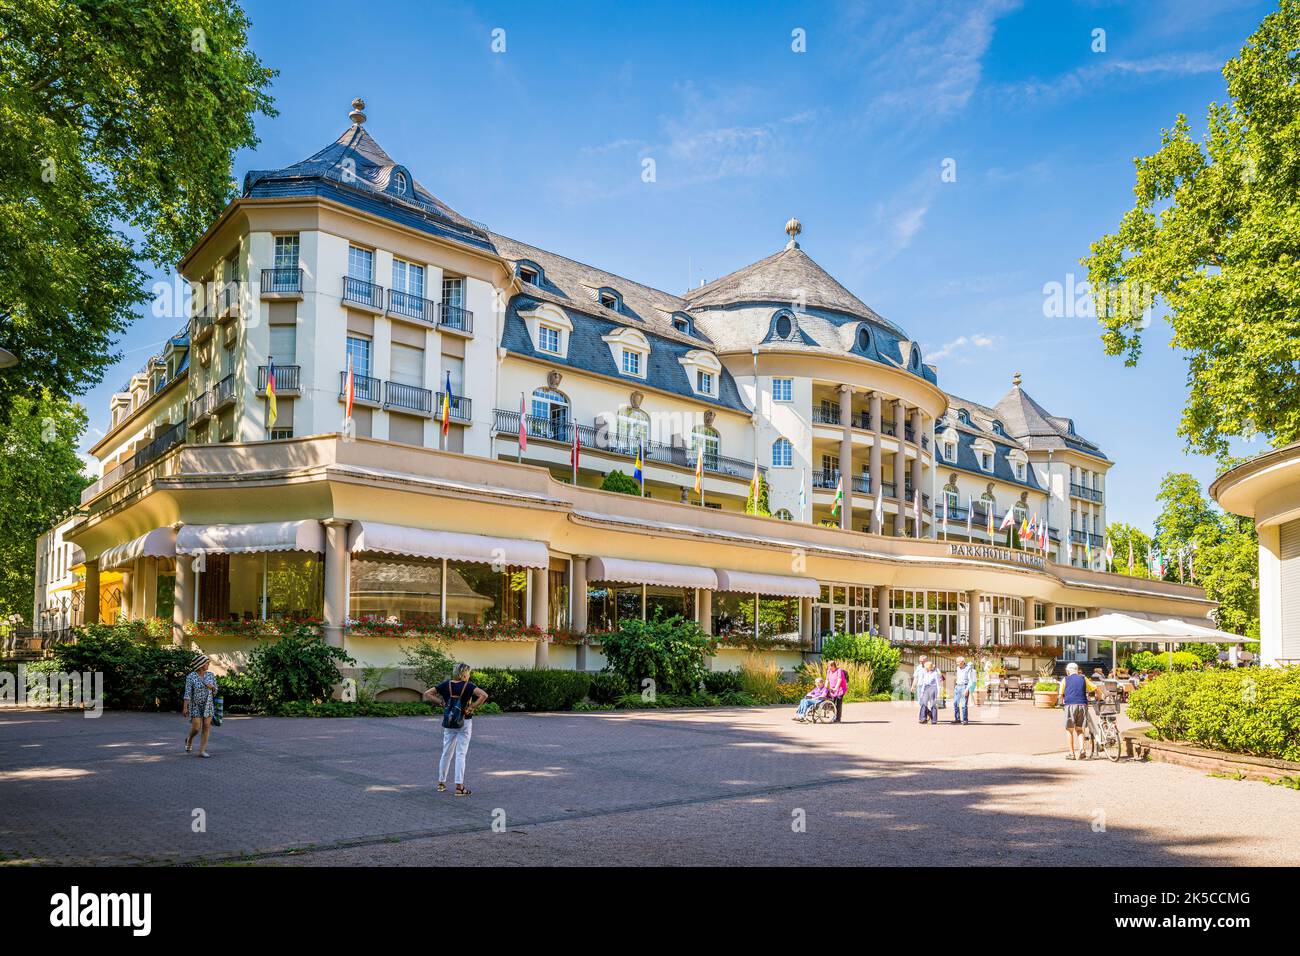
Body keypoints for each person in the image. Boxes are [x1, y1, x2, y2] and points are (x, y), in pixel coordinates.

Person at [424, 663, 489, 796]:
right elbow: (484, 695)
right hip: (465, 721)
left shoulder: (446, 685)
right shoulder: (469, 686)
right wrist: (472, 707)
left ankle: (441, 783)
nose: (469, 675)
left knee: (446, 752)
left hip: (449, 721)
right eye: (469, 673)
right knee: (460, 754)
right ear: (464, 673)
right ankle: (459, 787)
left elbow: (427, 693)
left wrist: (441, 703)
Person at [1058, 662, 1099, 760]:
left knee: (1069, 730)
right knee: (1080, 729)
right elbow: (1094, 688)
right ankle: (1082, 750)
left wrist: (1060, 703)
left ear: (1068, 671)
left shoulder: (1065, 679)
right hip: (1082, 705)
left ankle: (1072, 754)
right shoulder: (1083, 678)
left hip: (1070, 705)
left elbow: (1060, 694)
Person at [183, 653, 218, 758]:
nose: (208, 665)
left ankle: (201, 751)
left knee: (206, 726)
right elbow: (187, 693)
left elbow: (216, 690)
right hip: (195, 705)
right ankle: (189, 739)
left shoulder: (211, 675)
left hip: (208, 704)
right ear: (201, 664)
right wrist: (185, 707)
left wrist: (212, 687)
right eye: (207, 663)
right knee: (197, 728)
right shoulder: (191, 676)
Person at [951, 655, 976, 725]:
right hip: (957, 686)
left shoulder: (968, 669)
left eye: (958, 662)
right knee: (955, 703)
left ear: (962, 662)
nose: (957, 663)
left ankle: (965, 720)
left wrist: (967, 690)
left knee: (964, 705)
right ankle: (957, 719)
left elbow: (970, 681)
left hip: (964, 687)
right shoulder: (958, 668)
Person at [916, 660, 942, 724]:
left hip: (933, 688)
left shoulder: (935, 674)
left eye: (925, 667)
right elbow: (924, 683)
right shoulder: (925, 673)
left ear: (928, 667)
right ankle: (923, 718)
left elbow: (938, 684)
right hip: (926, 688)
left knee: (933, 704)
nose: (924, 668)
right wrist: (922, 692)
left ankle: (934, 720)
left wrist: (938, 693)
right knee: (923, 703)